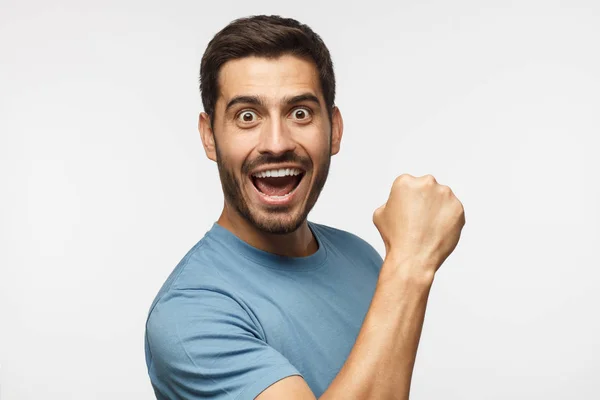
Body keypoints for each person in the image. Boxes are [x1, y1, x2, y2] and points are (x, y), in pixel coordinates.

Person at [144, 14, 465, 400]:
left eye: (300, 113)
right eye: (247, 116)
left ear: (335, 130)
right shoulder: (188, 315)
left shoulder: (361, 259)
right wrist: (411, 264)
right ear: (209, 137)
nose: (276, 143)